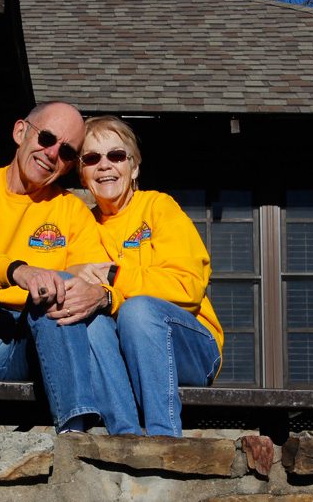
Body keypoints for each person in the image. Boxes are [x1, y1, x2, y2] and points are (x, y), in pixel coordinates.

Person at [0, 102, 141, 434]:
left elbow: (92, 274)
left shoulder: (71, 211)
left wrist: (98, 293)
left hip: (23, 346)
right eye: (47, 138)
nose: (51, 153)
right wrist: (19, 270)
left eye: (66, 152)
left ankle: (74, 432)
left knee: (60, 288)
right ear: (21, 132)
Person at [74, 115, 223, 437]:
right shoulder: (81, 227)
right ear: (82, 174)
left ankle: (164, 437)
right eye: (91, 158)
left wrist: (114, 275)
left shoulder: (159, 207)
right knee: (91, 322)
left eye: (116, 156)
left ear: (134, 167)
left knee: (138, 309)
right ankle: (124, 436)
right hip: (122, 352)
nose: (104, 166)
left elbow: (188, 287)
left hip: (190, 348)